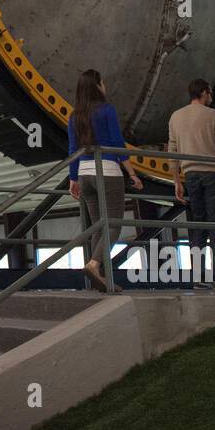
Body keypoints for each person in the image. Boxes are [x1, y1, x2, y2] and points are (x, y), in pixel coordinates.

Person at [68, 70, 144, 292]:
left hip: (84, 173)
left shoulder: (75, 116)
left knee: (99, 228)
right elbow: (117, 144)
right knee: (113, 224)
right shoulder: (106, 110)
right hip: (108, 171)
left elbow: (73, 149)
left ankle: (101, 279)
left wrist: (73, 179)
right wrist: (132, 173)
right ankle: (94, 265)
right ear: (98, 86)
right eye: (103, 82)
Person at [168, 78, 215, 288]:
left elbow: (173, 150)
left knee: (197, 226)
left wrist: (177, 180)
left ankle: (198, 278)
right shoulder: (214, 115)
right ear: (205, 93)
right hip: (212, 173)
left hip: (189, 175)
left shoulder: (176, 116)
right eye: (210, 93)